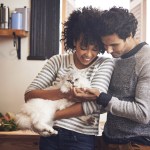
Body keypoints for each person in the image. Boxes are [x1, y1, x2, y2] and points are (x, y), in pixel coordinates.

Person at [25, 6, 114, 150]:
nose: (89, 54)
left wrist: (46, 116)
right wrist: (64, 93)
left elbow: (94, 103)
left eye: (95, 49)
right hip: (50, 136)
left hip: (80, 137)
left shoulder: (105, 64)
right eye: (83, 47)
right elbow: (30, 95)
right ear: (74, 41)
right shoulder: (57, 61)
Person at [71, 7, 150, 150]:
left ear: (130, 34)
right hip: (107, 141)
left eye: (114, 45)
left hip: (135, 144)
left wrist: (101, 98)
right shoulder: (114, 60)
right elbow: (113, 102)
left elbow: (143, 113)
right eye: (105, 45)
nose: (108, 50)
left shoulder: (146, 60)